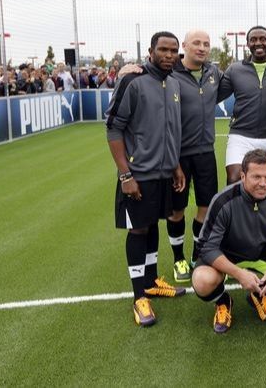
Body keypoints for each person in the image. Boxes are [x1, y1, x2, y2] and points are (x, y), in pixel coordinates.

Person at [120, 30, 225, 283]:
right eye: (196, 43)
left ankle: (198, 255)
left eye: (206, 44)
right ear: (185, 47)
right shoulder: (169, 73)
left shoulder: (214, 74)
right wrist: (127, 70)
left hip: (206, 152)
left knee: (206, 208)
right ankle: (178, 259)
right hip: (175, 156)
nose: (202, 48)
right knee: (175, 210)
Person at [105, 31, 187, 328]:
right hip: (138, 175)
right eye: (163, 49)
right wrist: (126, 174)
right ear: (151, 51)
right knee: (138, 230)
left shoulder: (174, 82)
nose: (168, 55)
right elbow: (114, 129)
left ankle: (152, 282)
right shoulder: (132, 80)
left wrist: (175, 165)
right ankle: (139, 297)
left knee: (153, 223)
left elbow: (169, 131)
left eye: (173, 50)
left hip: (165, 172)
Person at [191, 149, 266, 334]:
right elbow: (207, 247)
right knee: (202, 280)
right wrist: (239, 273)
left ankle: (259, 294)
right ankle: (223, 302)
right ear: (243, 176)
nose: (263, 183)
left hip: (260, 248)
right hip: (226, 253)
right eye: (256, 177)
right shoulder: (224, 201)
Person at [220, 26, 266, 184]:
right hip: (240, 136)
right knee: (235, 178)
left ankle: (262, 210)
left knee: (264, 184)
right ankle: (235, 209)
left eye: (262, 39)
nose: (258, 43)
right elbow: (214, 93)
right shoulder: (235, 69)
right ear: (247, 44)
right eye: (253, 40)